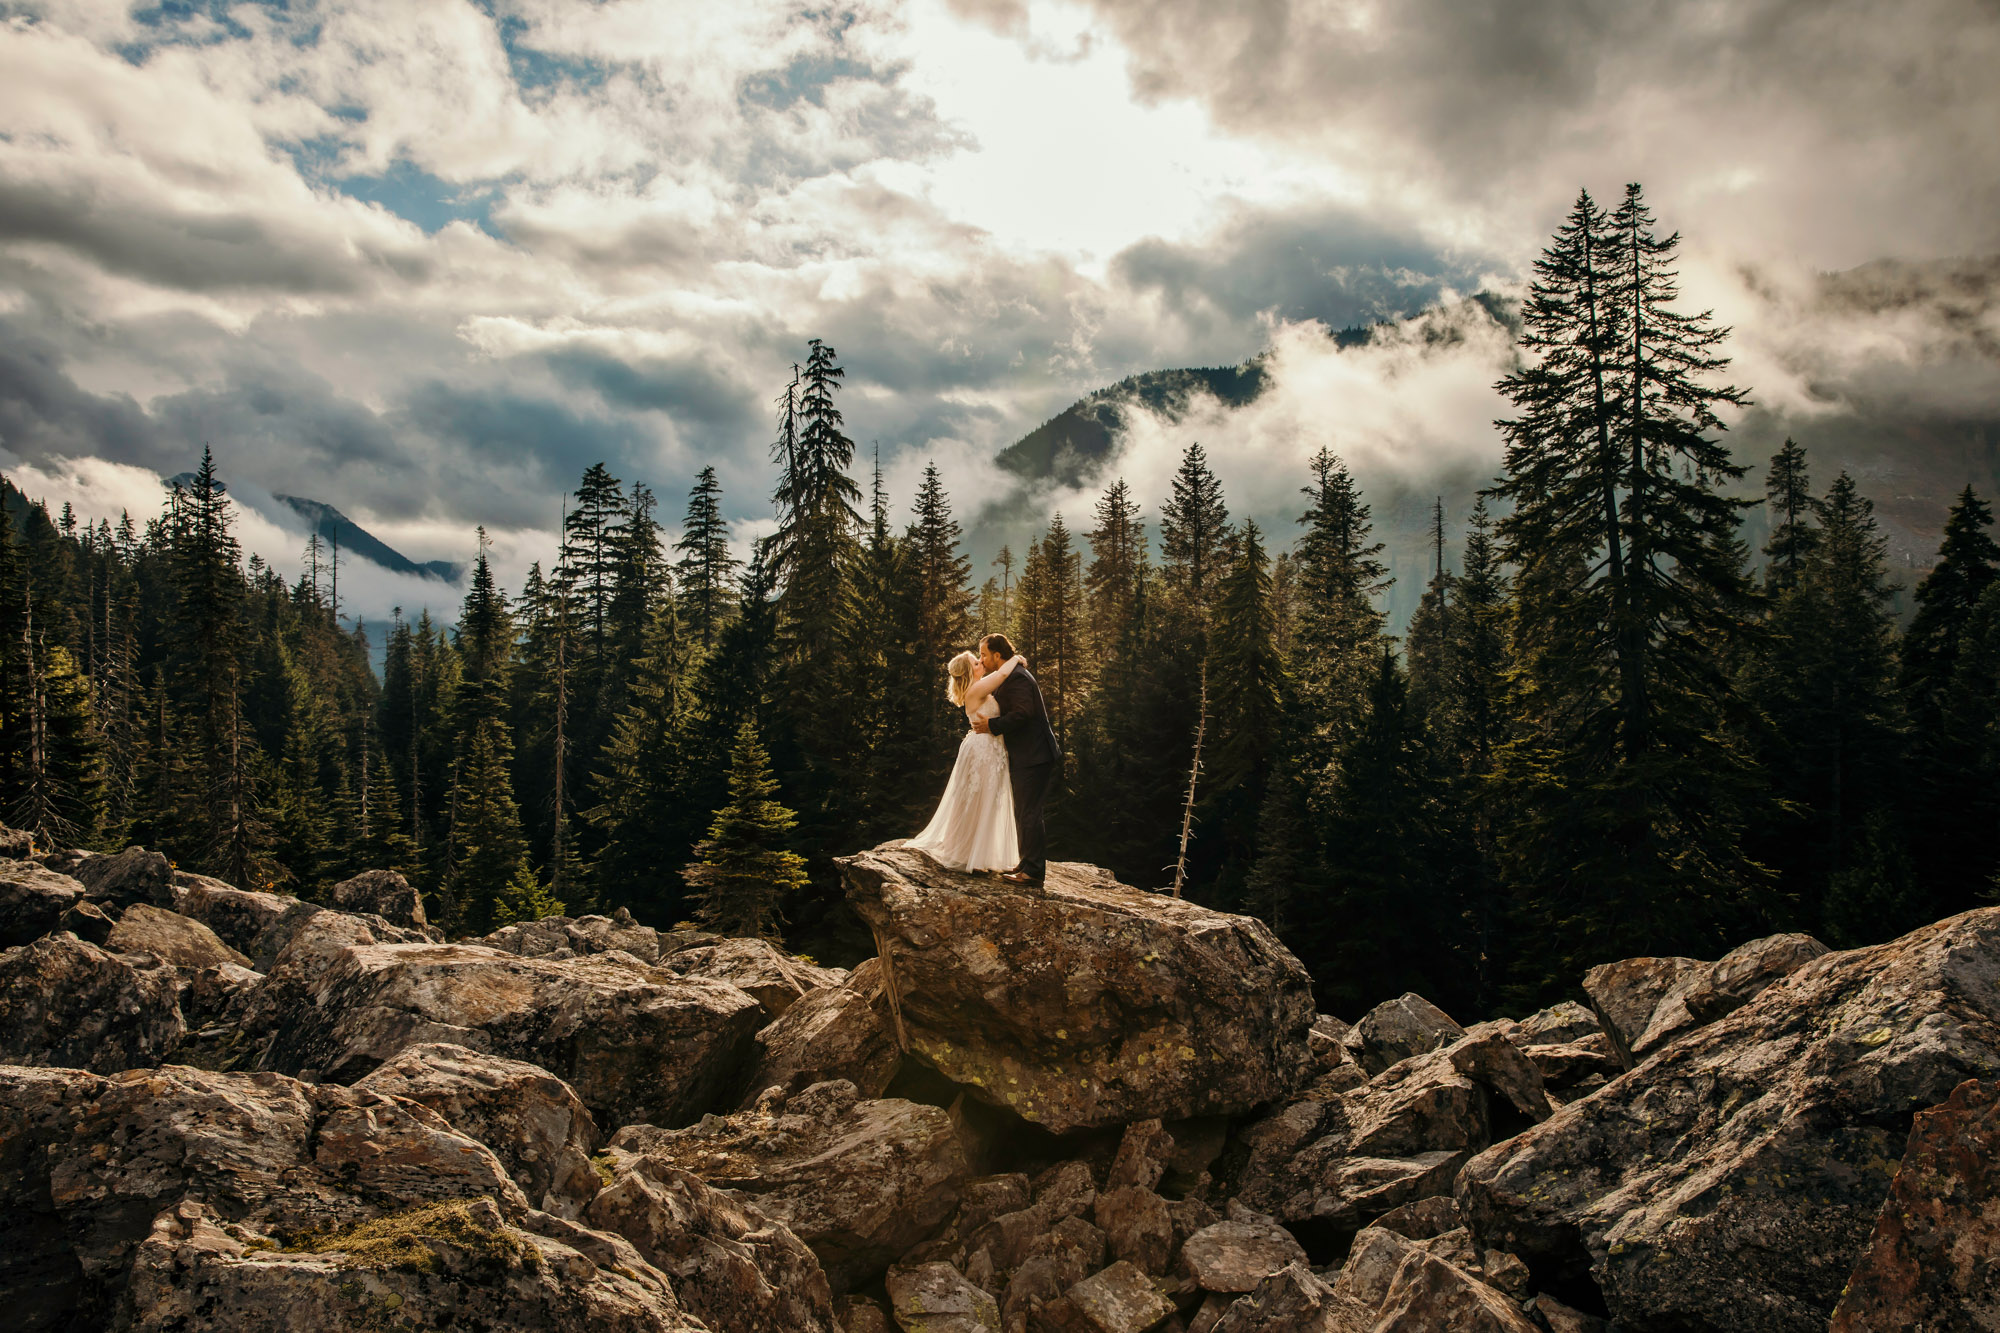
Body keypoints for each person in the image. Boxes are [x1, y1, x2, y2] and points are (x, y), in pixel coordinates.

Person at [903, 645, 1027, 872]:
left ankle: (977, 853)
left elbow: (997, 678)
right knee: (980, 799)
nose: (981, 662)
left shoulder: (976, 688)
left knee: (983, 800)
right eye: (976, 662)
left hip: (988, 748)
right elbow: (1001, 675)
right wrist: (1016, 658)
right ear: (970, 672)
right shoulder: (976, 690)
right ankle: (971, 855)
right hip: (983, 750)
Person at [969, 632, 1061, 885]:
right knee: (1024, 811)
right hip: (1028, 754)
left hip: (1035, 755)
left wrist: (992, 725)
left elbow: (1023, 713)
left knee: (1029, 812)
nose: (982, 659)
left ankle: (1032, 872)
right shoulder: (1011, 674)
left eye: (984, 654)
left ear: (998, 655)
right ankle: (1026, 864)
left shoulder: (1018, 679)